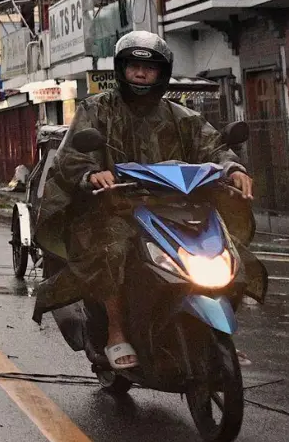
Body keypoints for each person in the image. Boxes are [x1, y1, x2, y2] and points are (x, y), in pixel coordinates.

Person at [43, 31, 254, 371]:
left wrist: (233, 168)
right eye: (134, 67)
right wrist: (93, 173)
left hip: (175, 209)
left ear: (162, 73)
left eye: (149, 68)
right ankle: (115, 331)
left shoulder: (181, 117)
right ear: (121, 70)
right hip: (114, 208)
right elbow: (72, 157)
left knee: (230, 255)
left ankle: (218, 333)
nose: (141, 74)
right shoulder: (95, 110)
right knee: (111, 248)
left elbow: (213, 147)